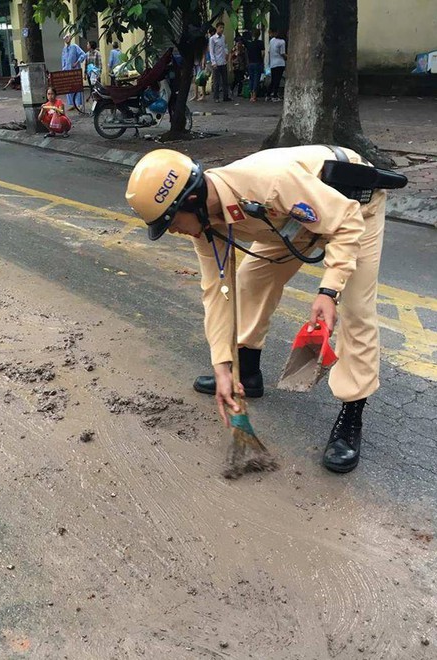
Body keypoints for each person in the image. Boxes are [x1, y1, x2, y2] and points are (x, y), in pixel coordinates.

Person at [125, 146, 390, 474]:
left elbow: (346, 221)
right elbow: (217, 292)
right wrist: (223, 367)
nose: (174, 232)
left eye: (172, 223)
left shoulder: (270, 184)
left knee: (357, 310)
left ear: (191, 201)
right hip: (293, 219)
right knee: (249, 281)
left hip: (353, 207)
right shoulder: (206, 222)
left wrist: (328, 291)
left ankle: (351, 417)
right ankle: (246, 372)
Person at [61, 34, 86, 109]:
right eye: (65, 38)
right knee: (69, 87)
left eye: (67, 38)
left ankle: (78, 104)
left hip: (75, 71)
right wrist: (63, 69)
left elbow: (83, 55)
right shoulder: (64, 49)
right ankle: (72, 104)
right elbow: (63, 60)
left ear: (71, 38)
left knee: (77, 87)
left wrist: (77, 62)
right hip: (67, 71)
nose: (66, 39)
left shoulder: (75, 47)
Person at [208, 23, 230, 102]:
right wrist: (213, 62)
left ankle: (225, 96)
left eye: (223, 28)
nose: (222, 29)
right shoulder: (212, 39)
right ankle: (216, 97)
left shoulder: (223, 37)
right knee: (217, 81)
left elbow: (225, 46)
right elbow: (211, 51)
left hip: (223, 61)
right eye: (220, 27)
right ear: (217, 28)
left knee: (225, 80)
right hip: (216, 62)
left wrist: (226, 53)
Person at [245, 28, 265, 102]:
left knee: (251, 78)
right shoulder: (260, 43)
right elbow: (263, 53)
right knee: (256, 79)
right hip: (258, 62)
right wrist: (262, 61)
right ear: (259, 35)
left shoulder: (249, 43)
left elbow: (247, 53)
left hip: (250, 63)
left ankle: (251, 94)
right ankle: (254, 95)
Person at [267, 29, 286, 101]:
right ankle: (275, 95)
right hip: (280, 63)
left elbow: (270, 51)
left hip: (273, 63)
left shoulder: (272, 40)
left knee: (273, 80)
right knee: (277, 80)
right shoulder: (282, 42)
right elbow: (282, 53)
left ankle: (268, 94)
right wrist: (287, 57)